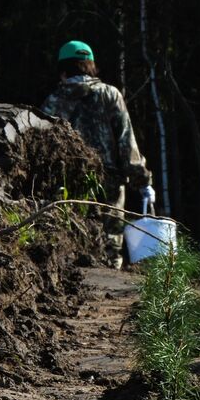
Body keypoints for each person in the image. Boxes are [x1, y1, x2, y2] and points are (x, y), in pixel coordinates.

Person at [40, 40, 155, 267]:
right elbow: (126, 142)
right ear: (90, 65)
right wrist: (143, 181)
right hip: (109, 182)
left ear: (63, 70)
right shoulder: (110, 95)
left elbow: (43, 149)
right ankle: (109, 290)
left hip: (67, 185)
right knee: (110, 245)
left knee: (71, 241)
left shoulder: (53, 102)